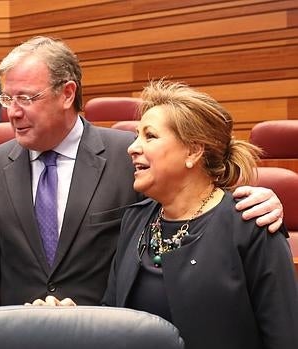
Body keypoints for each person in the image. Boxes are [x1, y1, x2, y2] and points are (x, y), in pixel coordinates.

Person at [0, 36, 286, 312]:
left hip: (111, 334)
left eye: (27, 98)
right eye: (7, 98)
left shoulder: (129, 155)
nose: (12, 111)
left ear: (67, 94)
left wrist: (263, 201)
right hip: (18, 337)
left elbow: (193, 206)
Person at [102, 80, 298, 349]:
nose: (132, 147)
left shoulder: (251, 224)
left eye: (150, 136)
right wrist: (70, 315)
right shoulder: (135, 220)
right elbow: (111, 317)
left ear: (193, 151)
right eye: (137, 135)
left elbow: (284, 336)